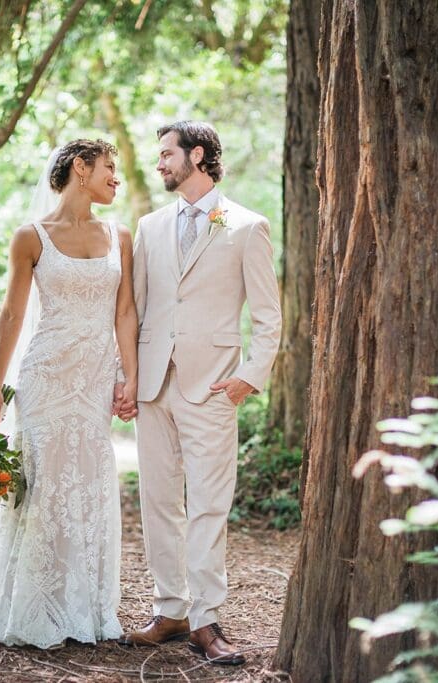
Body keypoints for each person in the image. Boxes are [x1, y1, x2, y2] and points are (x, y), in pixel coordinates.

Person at [0, 139, 138, 649]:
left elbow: (125, 313)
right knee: (42, 484)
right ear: (80, 168)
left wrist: (128, 377)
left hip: (93, 380)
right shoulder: (31, 237)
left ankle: (81, 605)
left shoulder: (120, 236)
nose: (117, 178)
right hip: (45, 376)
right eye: (110, 168)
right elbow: (13, 315)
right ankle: (30, 603)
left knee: (88, 483)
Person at [115, 121, 281, 665]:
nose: (159, 163)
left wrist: (248, 378)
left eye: (167, 154)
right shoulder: (150, 227)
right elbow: (135, 310)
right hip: (154, 386)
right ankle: (170, 610)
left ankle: (207, 620)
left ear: (199, 155)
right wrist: (130, 377)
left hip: (211, 387)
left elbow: (268, 317)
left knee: (209, 505)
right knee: (158, 502)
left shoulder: (246, 227)